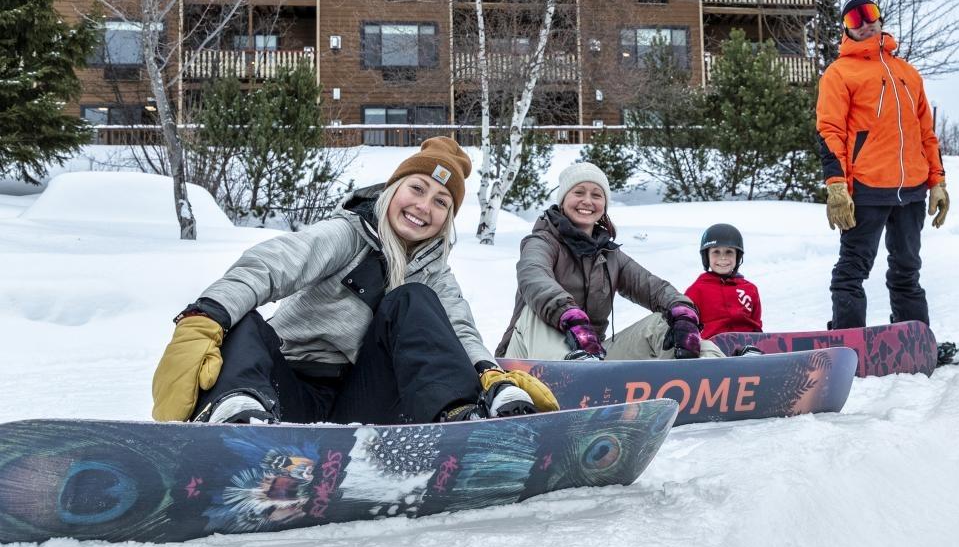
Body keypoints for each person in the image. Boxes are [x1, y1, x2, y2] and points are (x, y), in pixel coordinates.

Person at [151, 137, 558, 425]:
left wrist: (487, 371)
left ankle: (455, 417)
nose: (423, 206)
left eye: (440, 201)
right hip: (283, 387)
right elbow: (273, 264)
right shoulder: (349, 233)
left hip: (360, 400)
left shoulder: (435, 272)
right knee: (241, 318)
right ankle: (238, 412)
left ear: (447, 219)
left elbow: (460, 331)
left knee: (413, 298)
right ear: (393, 189)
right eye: (417, 188)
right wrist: (206, 314)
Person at [496, 162, 726, 361]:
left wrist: (683, 313)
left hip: (591, 359)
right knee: (534, 313)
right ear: (563, 198)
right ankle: (573, 374)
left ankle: (714, 368)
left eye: (596, 195)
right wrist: (570, 317)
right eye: (579, 192)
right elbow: (533, 277)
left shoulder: (609, 255)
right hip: (525, 360)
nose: (587, 201)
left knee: (662, 322)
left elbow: (653, 287)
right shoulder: (541, 242)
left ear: (604, 205)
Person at [816, 0, 949, 330]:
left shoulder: (907, 73)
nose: (865, 23)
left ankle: (914, 340)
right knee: (852, 270)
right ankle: (849, 341)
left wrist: (938, 182)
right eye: (855, 19)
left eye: (870, 14)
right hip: (867, 189)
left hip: (912, 190)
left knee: (907, 269)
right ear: (846, 27)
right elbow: (829, 131)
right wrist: (836, 187)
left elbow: (926, 133)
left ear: (880, 17)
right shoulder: (839, 73)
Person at [683, 223, 763, 338]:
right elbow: (687, 326)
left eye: (729, 252)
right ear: (707, 256)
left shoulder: (750, 290)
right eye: (716, 252)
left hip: (747, 346)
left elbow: (756, 325)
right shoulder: (696, 291)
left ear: (737, 256)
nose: (723, 257)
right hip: (712, 350)